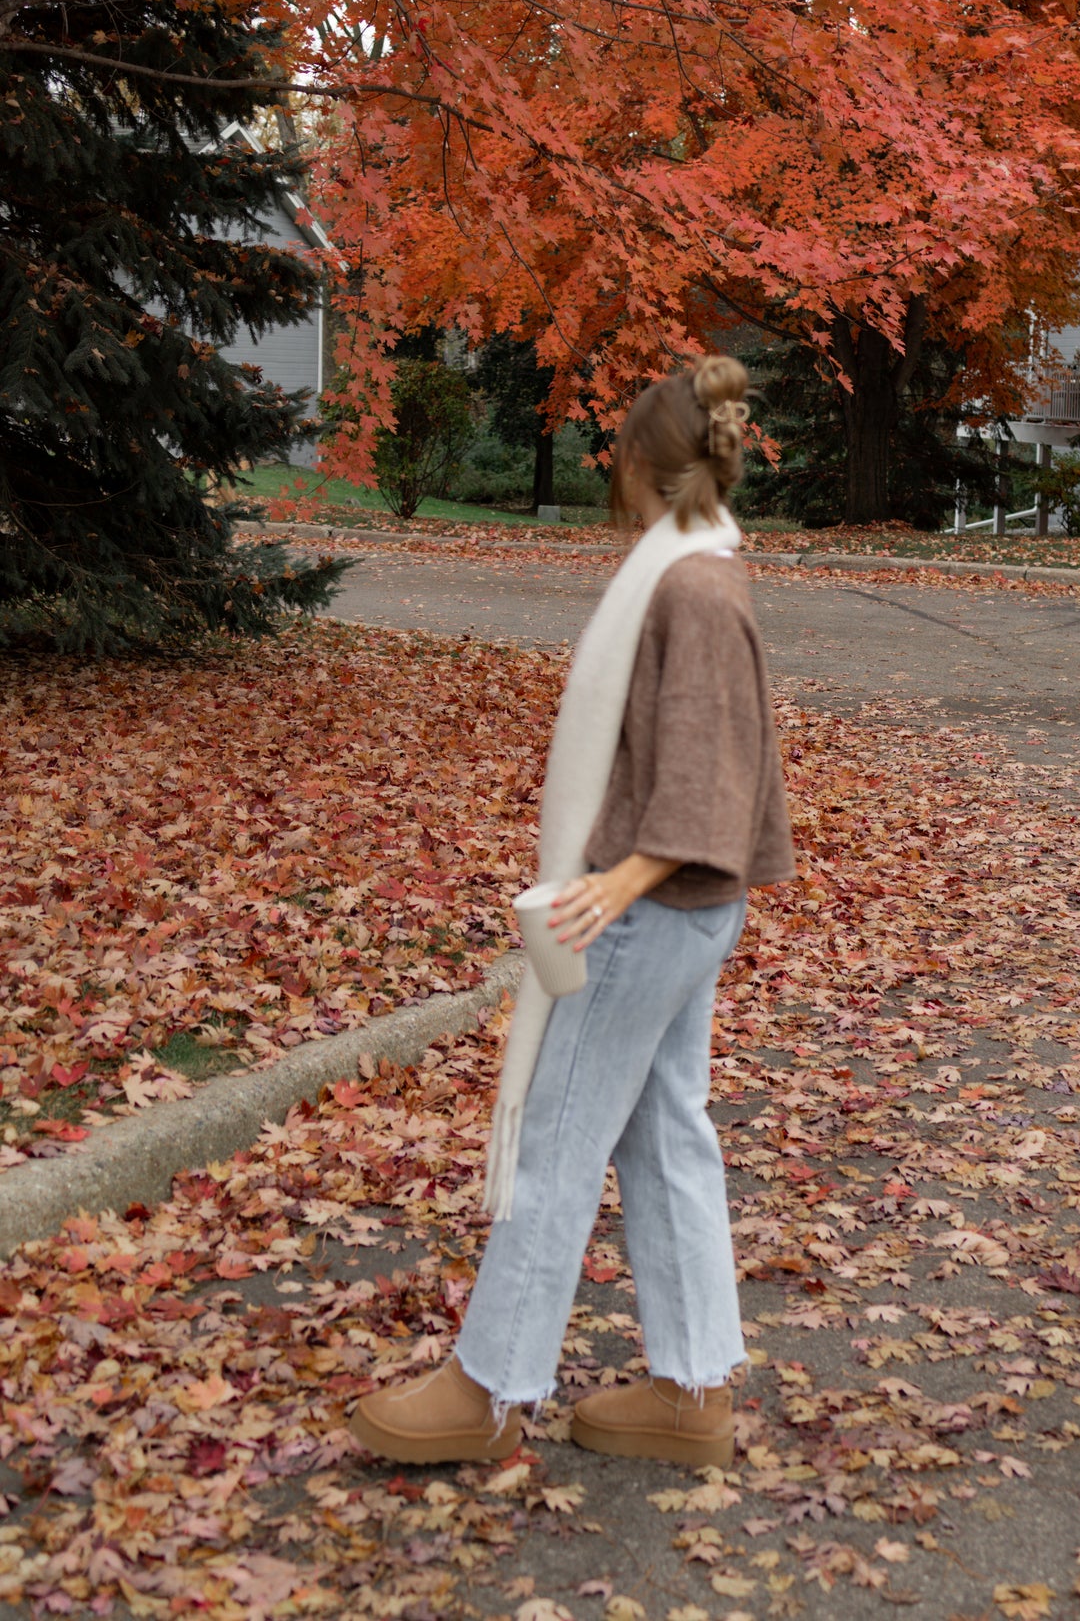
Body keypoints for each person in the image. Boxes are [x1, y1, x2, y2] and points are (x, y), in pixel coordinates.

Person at [349, 356, 795, 1470]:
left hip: (651, 912)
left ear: (638, 467)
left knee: (555, 1136)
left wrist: (619, 881)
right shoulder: (705, 569)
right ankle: (692, 1390)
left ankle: (490, 1385)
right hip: (691, 911)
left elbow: (703, 775)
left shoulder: (689, 586)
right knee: (663, 1132)